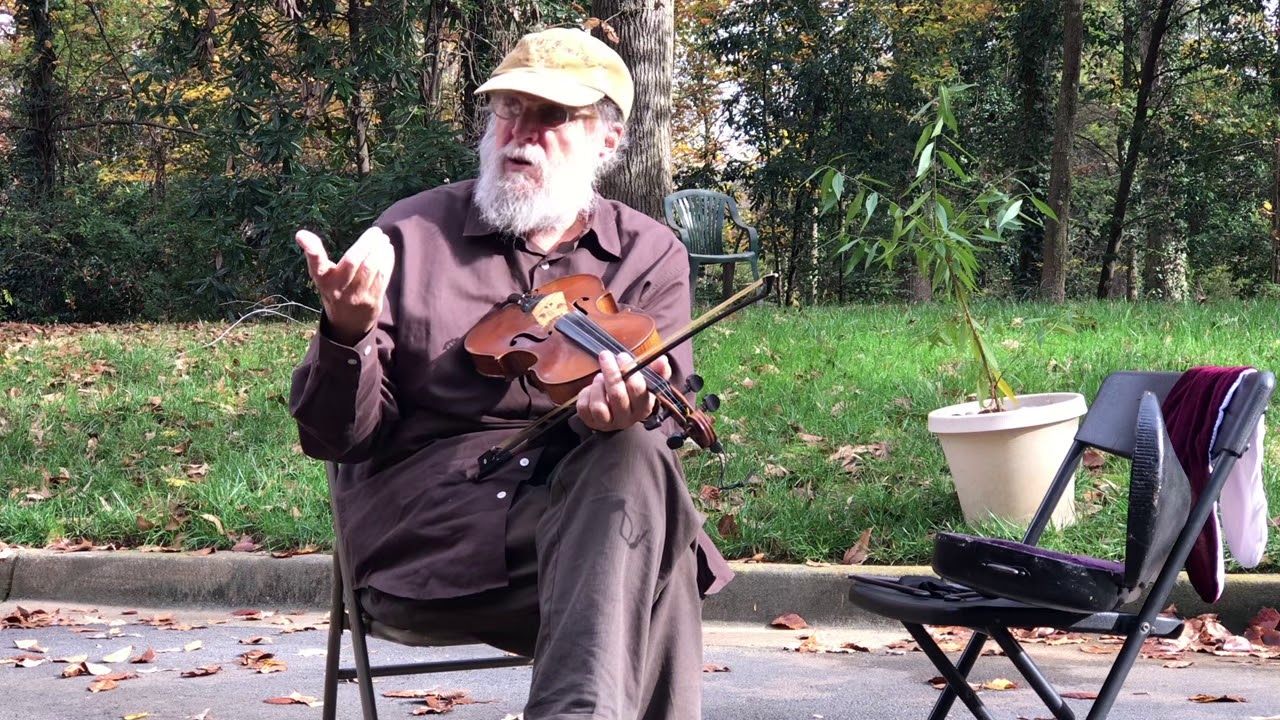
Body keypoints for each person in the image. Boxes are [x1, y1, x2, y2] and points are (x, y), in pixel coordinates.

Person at [288, 27, 733, 720]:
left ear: (607, 142)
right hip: (434, 537)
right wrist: (345, 335)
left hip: (589, 525)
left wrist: (629, 413)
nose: (520, 134)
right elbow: (333, 438)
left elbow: (658, 418)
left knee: (635, 454)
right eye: (508, 111)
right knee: (657, 565)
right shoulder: (409, 235)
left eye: (552, 116)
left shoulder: (649, 255)